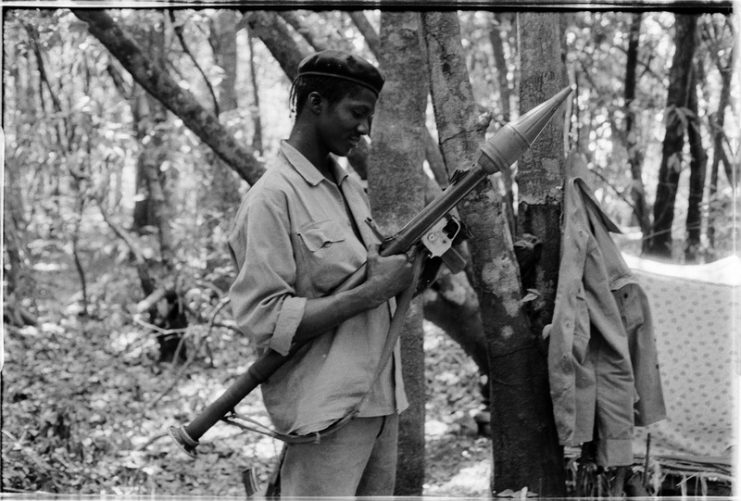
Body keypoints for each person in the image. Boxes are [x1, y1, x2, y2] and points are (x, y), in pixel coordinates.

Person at [227, 50, 414, 496]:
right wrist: (370, 293)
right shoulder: (271, 199)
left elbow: (366, 278)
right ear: (315, 104)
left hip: (379, 399)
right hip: (324, 411)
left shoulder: (347, 185)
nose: (365, 129)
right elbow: (265, 319)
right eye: (356, 113)